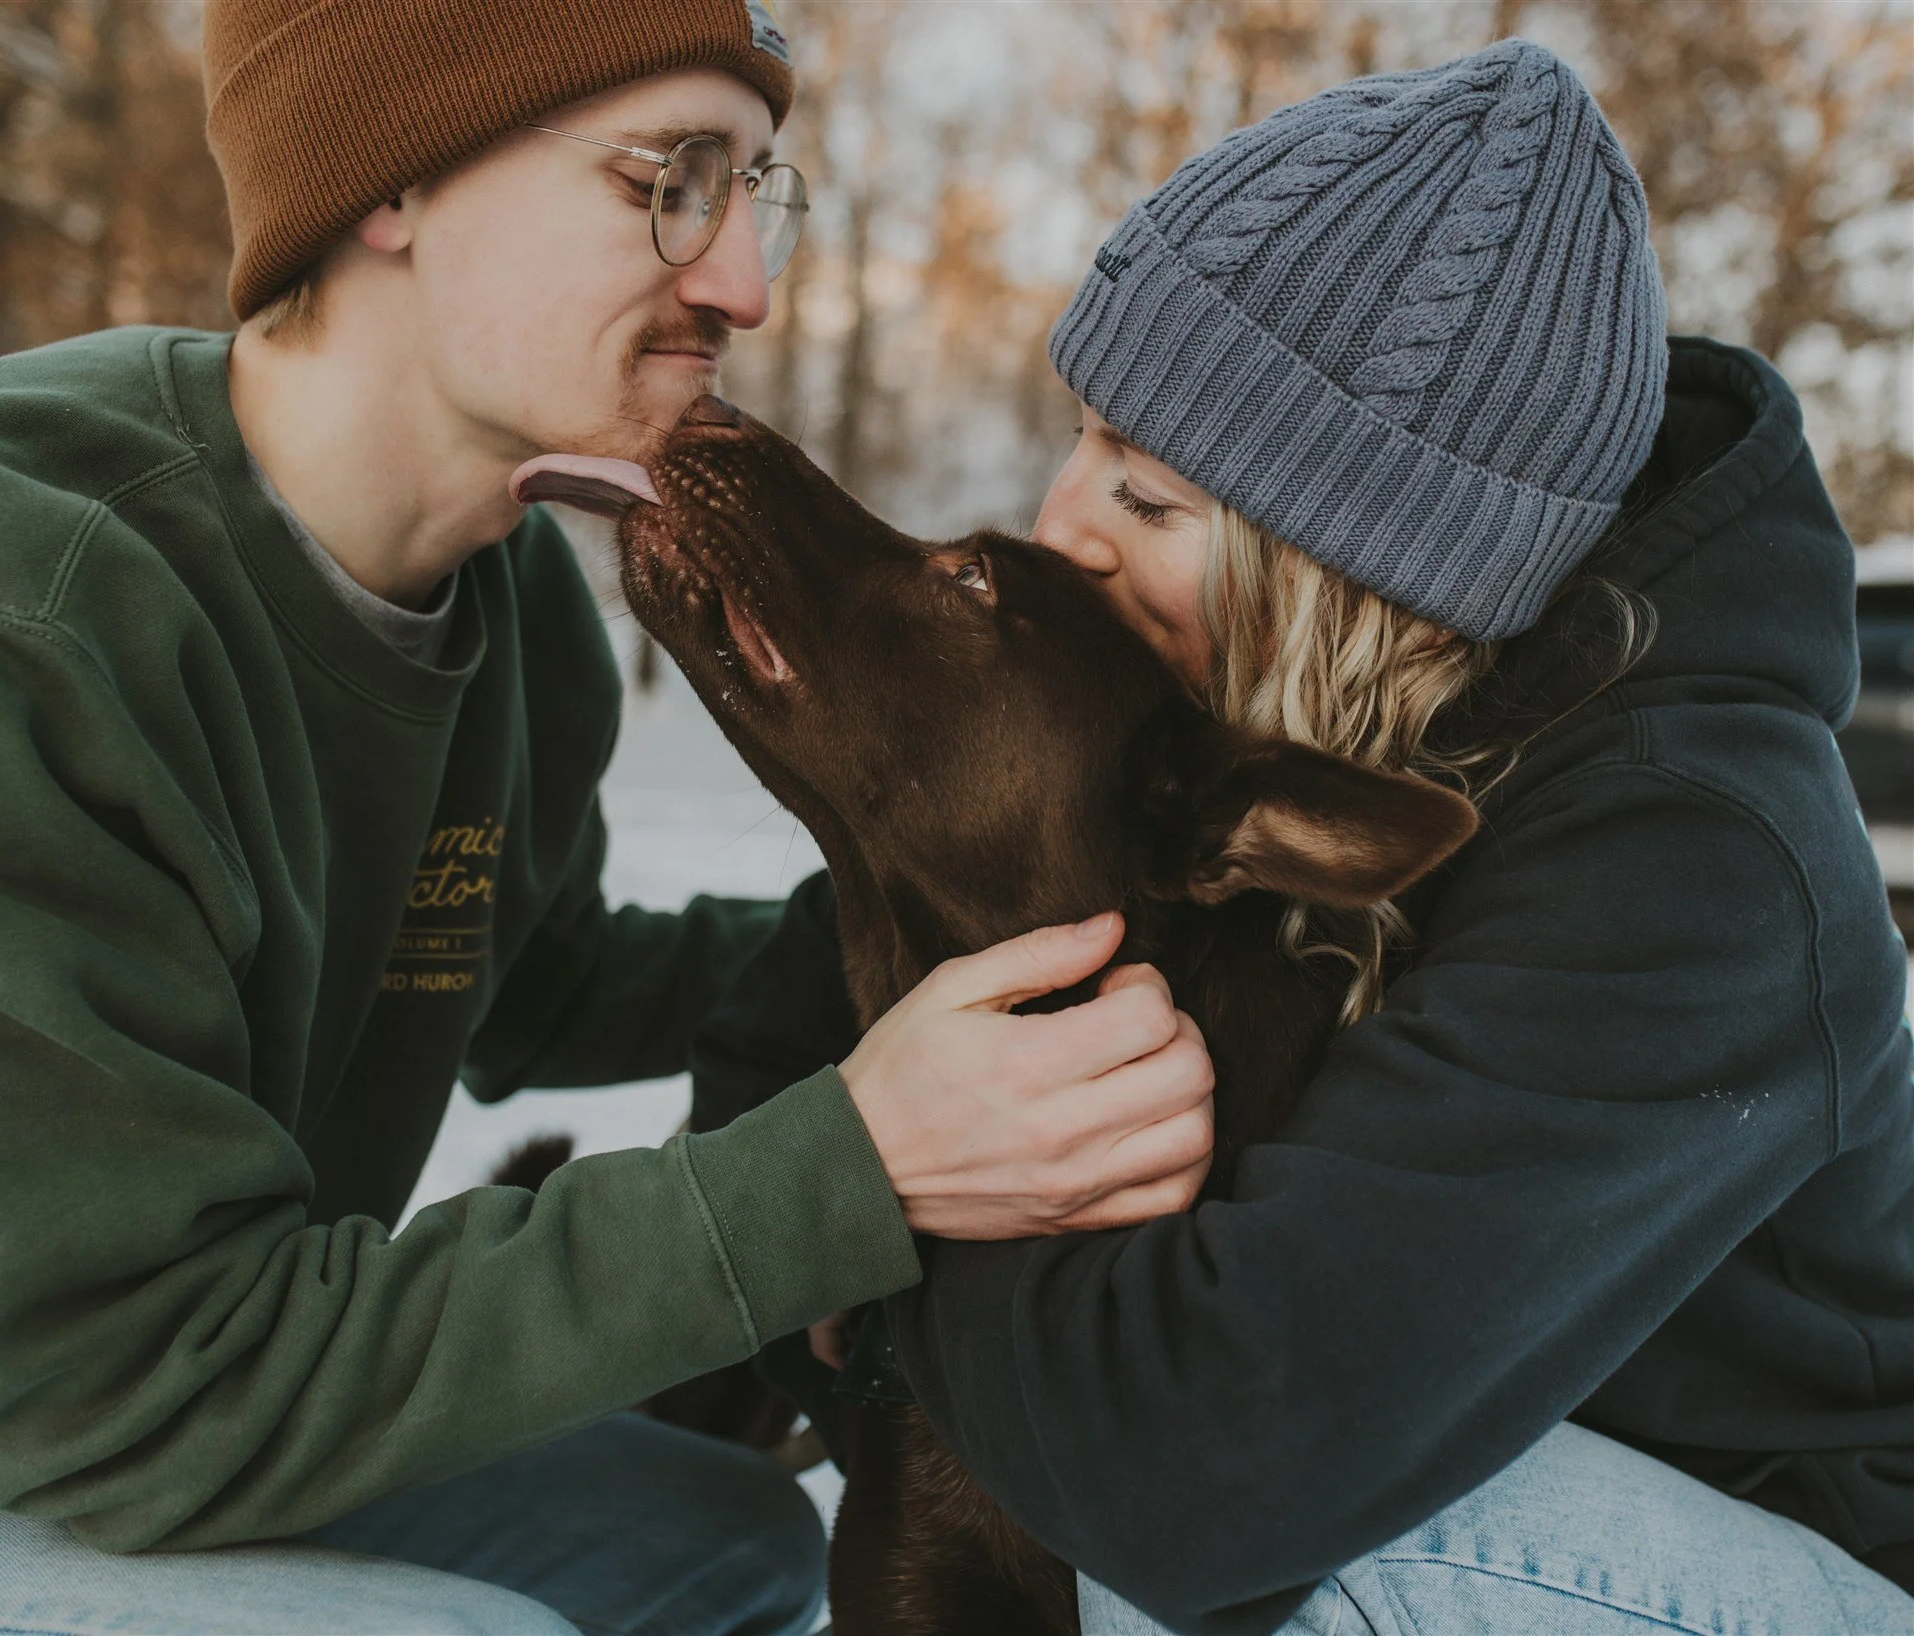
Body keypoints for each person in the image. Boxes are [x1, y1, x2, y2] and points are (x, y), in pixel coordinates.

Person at [0, 2, 1219, 1631]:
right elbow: (132, 1394)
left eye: (755, 194)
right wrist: (856, 1164)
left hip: (120, 1437)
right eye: (671, 181)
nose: (744, 286)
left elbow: (534, 973)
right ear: (397, 177)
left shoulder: (512, 605)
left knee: (725, 1539)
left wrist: (997, 966)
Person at [691, 39, 1914, 1636]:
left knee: (1227, 1557)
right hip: (1422, 1480)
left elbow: (1208, 1459)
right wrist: (840, 1226)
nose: (1062, 526)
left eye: (1149, 500)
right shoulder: (1255, 726)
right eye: (1084, 443)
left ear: (1358, 567)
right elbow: (831, 991)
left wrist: (907, 1233)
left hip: (1783, 1564)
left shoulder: (1696, 862)